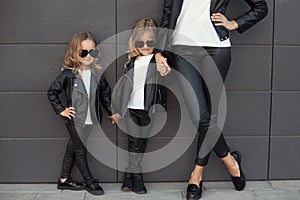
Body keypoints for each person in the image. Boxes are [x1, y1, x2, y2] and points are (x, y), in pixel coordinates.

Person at [155, 0, 268, 199]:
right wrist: (159, 51)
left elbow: (261, 6)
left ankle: (196, 175)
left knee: (210, 116)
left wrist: (235, 23)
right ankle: (230, 160)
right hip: (182, 48)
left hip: (217, 48)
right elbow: (167, 14)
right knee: (200, 116)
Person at [47, 31, 118, 195]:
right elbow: (52, 92)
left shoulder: (97, 74)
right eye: (83, 52)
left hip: (90, 119)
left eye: (91, 52)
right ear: (74, 53)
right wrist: (61, 110)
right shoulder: (68, 75)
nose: (88, 56)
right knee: (80, 150)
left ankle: (64, 179)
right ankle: (89, 181)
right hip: (75, 121)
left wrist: (113, 112)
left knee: (73, 147)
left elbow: (105, 95)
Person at [111, 18, 167, 194]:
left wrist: (160, 59)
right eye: (140, 42)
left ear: (155, 42)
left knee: (140, 143)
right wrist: (118, 111)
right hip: (130, 110)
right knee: (135, 142)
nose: (144, 46)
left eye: (150, 42)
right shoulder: (130, 62)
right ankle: (137, 177)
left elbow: (165, 71)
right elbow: (122, 90)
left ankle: (128, 175)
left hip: (148, 110)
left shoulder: (156, 59)